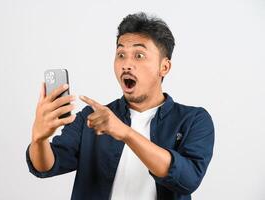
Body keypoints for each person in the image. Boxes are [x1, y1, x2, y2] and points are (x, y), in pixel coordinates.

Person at [26, 12, 215, 200]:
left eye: (139, 55)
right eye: (121, 54)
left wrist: (125, 132)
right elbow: (46, 166)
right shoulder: (91, 118)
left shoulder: (193, 120)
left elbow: (188, 179)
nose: (126, 64)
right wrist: (39, 139)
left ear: (164, 67)